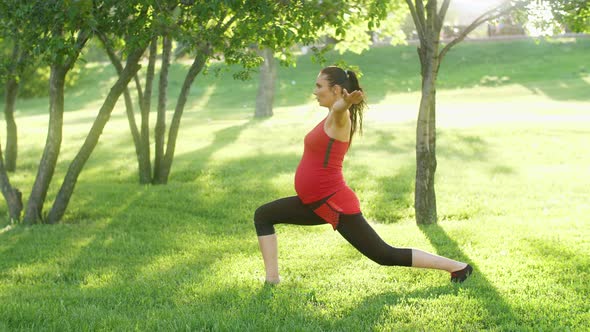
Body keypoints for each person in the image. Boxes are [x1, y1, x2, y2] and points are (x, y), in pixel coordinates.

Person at [254, 66, 473, 285]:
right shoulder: (330, 117)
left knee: (385, 255)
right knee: (264, 216)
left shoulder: (340, 117)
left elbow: (340, 109)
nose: (315, 91)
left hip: (334, 204)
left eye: (319, 86)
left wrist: (346, 103)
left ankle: (458, 267)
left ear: (336, 90)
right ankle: (272, 279)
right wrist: (343, 103)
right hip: (315, 203)